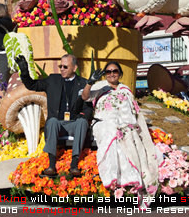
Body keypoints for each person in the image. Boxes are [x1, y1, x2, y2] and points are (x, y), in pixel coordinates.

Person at [81, 61, 159, 206]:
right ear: (105, 74)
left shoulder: (125, 89)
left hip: (126, 125)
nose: (111, 74)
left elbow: (134, 111)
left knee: (129, 134)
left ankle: (133, 180)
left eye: (115, 71)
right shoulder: (100, 87)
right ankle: (112, 178)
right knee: (111, 131)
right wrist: (90, 82)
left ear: (120, 73)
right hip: (104, 122)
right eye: (108, 72)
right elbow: (85, 97)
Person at [16, 54, 93, 178]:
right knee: (51, 121)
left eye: (65, 66)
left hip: (74, 122)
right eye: (60, 66)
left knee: (82, 122)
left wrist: (83, 115)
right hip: (58, 123)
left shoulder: (83, 83)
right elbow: (32, 85)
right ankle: (51, 165)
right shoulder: (53, 80)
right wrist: (24, 72)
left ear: (74, 68)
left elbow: (89, 107)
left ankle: (74, 164)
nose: (61, 69)